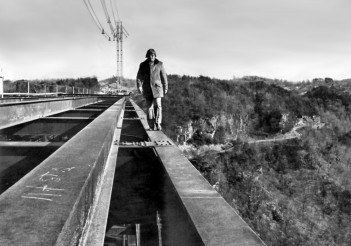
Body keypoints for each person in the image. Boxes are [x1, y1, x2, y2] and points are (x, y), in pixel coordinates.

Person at [136, 48, 168, 131]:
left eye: (153, 55)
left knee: (158, 105)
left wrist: (165, 87)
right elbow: (139, 77)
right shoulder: (143, 65)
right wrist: (139, 86)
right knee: (149, 107)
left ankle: (158, 123)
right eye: (150, 55)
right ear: (147, 56)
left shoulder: (160, 64)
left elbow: (164, 76)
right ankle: (151, 125)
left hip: (157, 88)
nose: (152, 56)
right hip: (147, 89)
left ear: (155, 55)